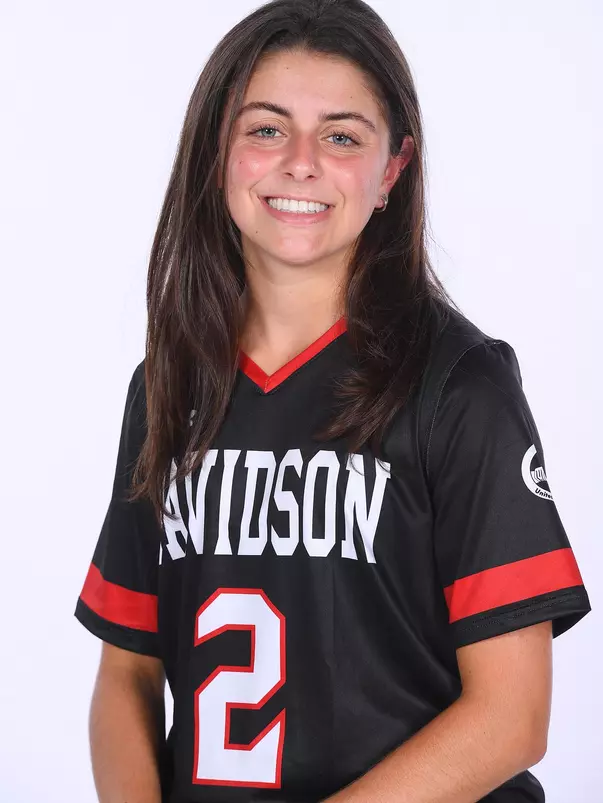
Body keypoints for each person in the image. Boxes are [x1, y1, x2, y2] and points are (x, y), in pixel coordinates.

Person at [74, 1, 592, 801]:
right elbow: (127, 676)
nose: (302, 162)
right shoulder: (165, 386)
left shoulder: (459, 387)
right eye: (266, 129)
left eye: (342, 135)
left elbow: (512, 714)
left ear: (392, 170)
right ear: (217, 151)